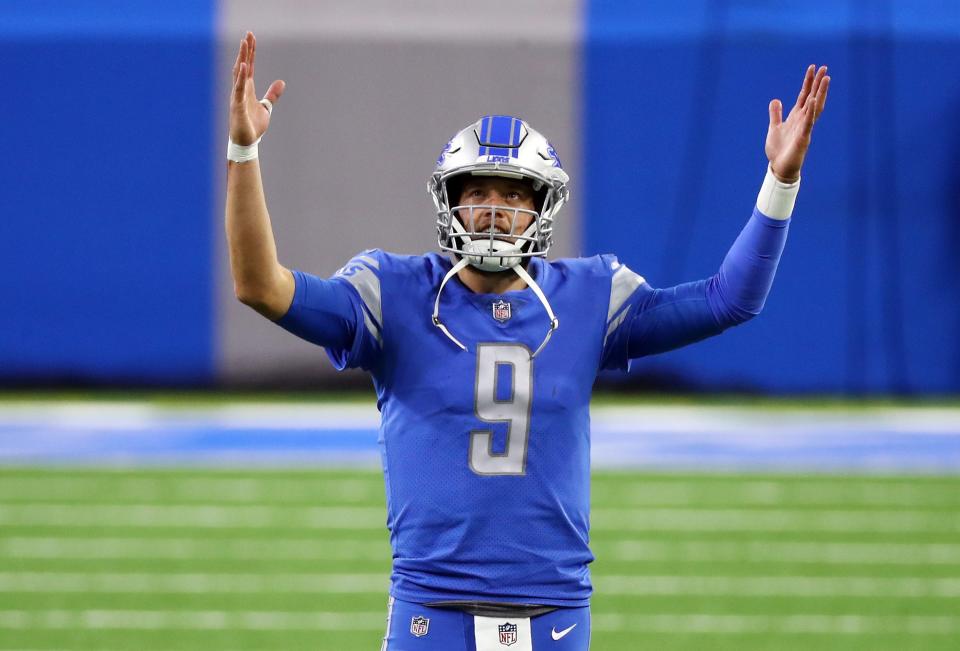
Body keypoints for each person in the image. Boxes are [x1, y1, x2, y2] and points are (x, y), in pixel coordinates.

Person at [225, 31, 830, 651]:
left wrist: (780, 182)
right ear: (449, 203)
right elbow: (260, 286)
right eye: (478, 192)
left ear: (542, 206)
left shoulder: (591, 293)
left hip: (554, 612)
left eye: (514, 194)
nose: (494, 209)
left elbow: (730, 298)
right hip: (430, 608)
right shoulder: (394, 290)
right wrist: (244, 152)